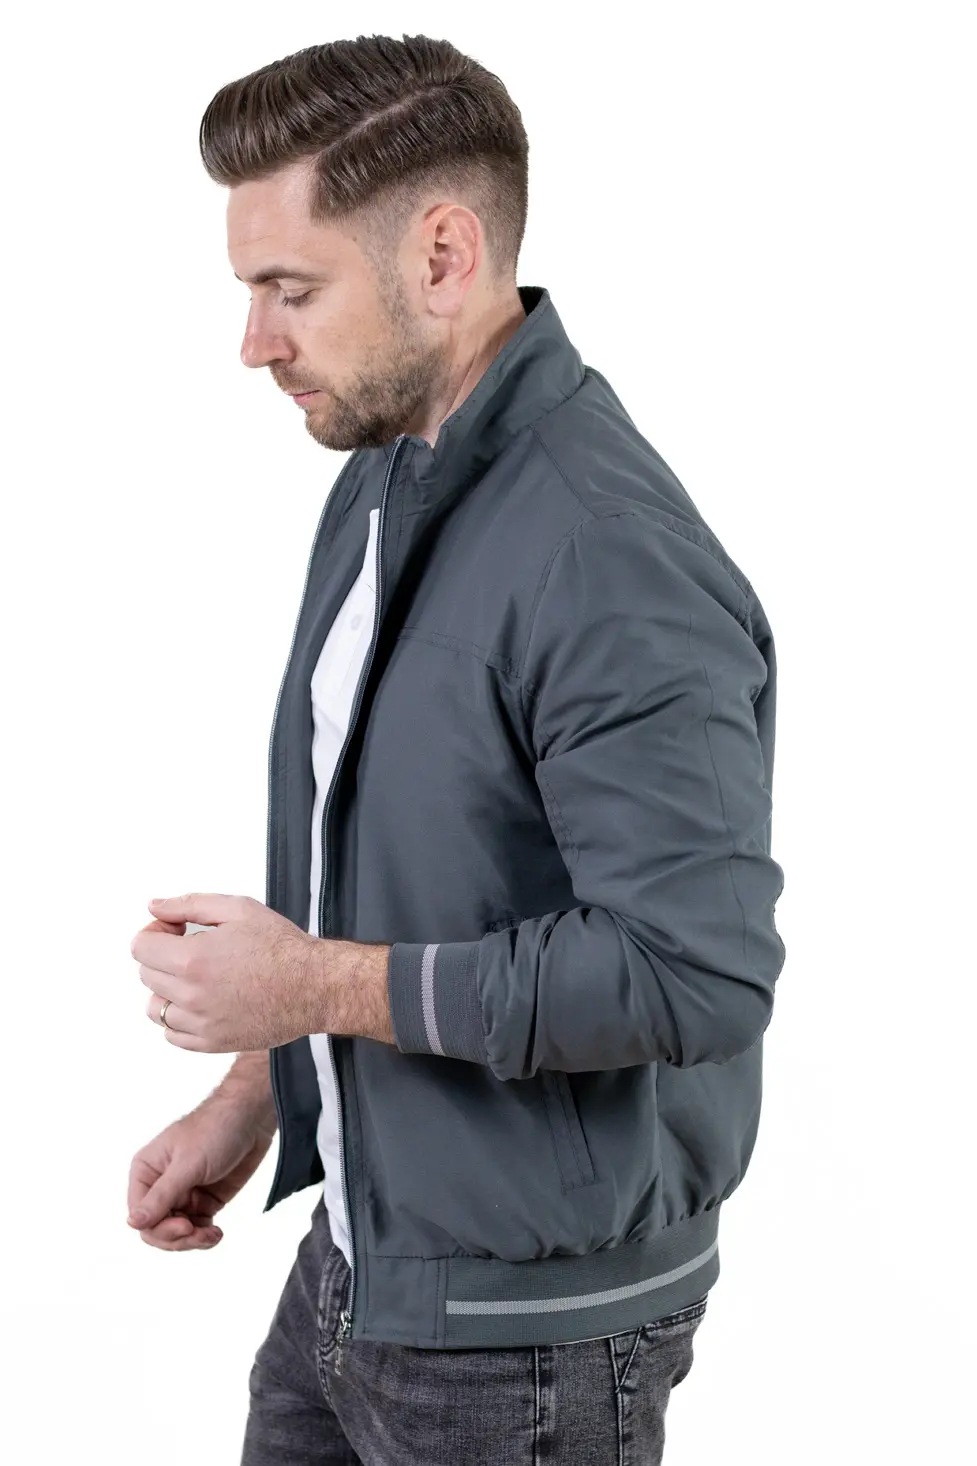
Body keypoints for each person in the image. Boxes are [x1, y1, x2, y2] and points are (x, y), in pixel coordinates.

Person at [126, 32, 786, 1466]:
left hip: (528, 1339)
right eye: (250, 292)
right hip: (364, 1260)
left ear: (442, 256)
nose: (254, 341)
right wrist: (265, 1087)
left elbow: (693, 971)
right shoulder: (389, 473)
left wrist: (302, 987)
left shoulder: (605, 555)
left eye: (291, 290)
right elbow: (426, 872)